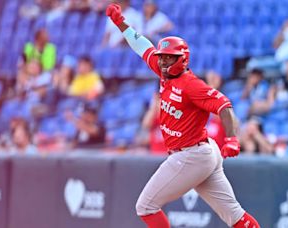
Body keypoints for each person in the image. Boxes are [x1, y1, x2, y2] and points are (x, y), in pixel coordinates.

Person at [105, 3, 260, 228]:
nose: (164, 61)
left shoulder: (191, 85)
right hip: (200, 153)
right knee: (234, 215)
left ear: (183, 59)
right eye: (162, 57)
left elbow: (224, 105)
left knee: (146, 206)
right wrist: (121, 24)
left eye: (170, 57)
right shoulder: (163, 71)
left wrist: (232, 138)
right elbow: (142, 46)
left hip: (191, 155)